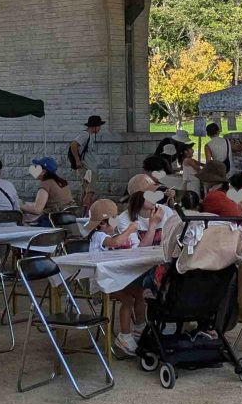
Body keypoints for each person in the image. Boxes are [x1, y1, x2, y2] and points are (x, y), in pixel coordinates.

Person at [84, 199, 158, 356]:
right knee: (128, 299)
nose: (116, 222)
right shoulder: (98, 236)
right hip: (101, 283)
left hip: (113, 279)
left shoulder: (107, 233)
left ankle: (140, 328)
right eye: (114, 219)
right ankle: (124, 336)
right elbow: (116, 242)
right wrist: (130, 230)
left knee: (139, 291)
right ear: (102, 224)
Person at [21, 157, 74, 225]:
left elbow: (37, 209)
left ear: (43, 171)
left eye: (37, 167)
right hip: (69, 219)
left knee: (23, 221)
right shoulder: (62, 182)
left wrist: (18, 205)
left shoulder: (46, 184)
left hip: (53, 221)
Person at [69, 115, 105, 207]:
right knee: (89, 192)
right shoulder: (85, 134)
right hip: (87, 168)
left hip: (88, 168)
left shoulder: (89, 136)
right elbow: (74, 144)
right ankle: (86, 213)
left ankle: (83, 212)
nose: (100, 128)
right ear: (95, 126)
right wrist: (77, 161)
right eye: (99, 126)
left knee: (86, 192)